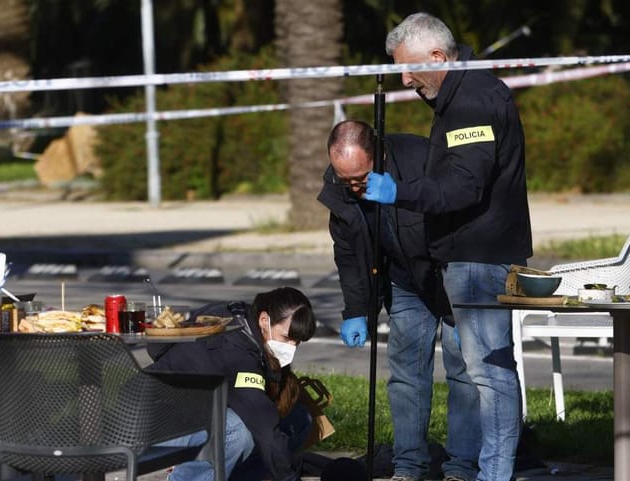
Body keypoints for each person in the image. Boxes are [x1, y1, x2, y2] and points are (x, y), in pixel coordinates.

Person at [370, 12, 534, 481]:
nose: (405, 81)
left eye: (409, 69)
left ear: (439, 57)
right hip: (474, 252)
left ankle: (493, 474)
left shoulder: (471, 101)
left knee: (489, 374)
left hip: (479, 256)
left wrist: (399, 192)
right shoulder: (466, 94)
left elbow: (464, 185)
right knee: (487, 371)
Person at [318, 119, 450, 481]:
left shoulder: (421, 157)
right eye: (345, 179)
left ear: (377, 153)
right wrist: (356, 311)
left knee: (463, 371)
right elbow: (348, 254)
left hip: (449, 273)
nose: (354, 187)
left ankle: (463, 466)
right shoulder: (338, 186)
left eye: (361, 178)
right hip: (404, 281)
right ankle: (408, 466)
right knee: (407, 375)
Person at [147, 286, 318, 481]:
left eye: (297, 342)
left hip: (194, 411)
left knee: (298, 419)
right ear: (264, 320)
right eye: (286, 338)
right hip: (155, 422)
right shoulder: (237, 353)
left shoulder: (238, 317)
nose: (291, 348)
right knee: (238, 431)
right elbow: (263, 423)